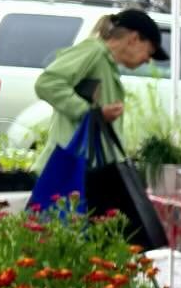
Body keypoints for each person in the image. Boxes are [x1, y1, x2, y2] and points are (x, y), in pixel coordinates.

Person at [32, 9, 167, 170]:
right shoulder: (93, 51)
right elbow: (47, 83)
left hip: (83, 168)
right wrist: (91, 113)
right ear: (134, 39)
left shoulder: (106, 64)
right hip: (69, 169)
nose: (147, 60)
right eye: (149, 52)